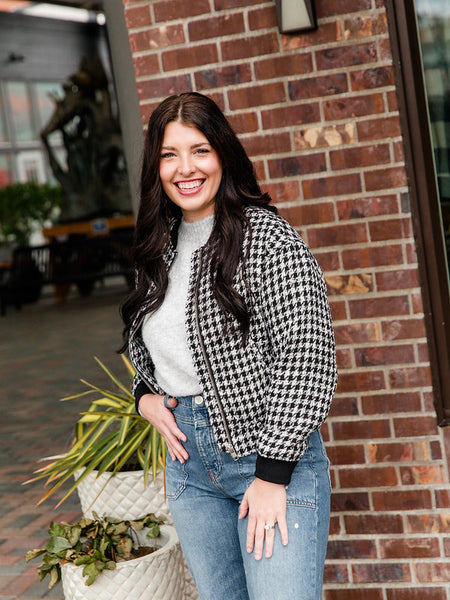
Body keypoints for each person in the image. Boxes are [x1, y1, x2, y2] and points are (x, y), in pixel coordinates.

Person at [120, 92, 337, 600]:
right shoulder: (157, 247)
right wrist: (144, 395)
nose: (185, 168)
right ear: (156, 166)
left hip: (267, 459)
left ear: (223, 154)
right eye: (169, 154)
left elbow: (307, 359)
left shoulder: (268, 239)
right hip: (190, 474)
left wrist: (272, 474)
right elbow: (149, 345)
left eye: (199, 150)